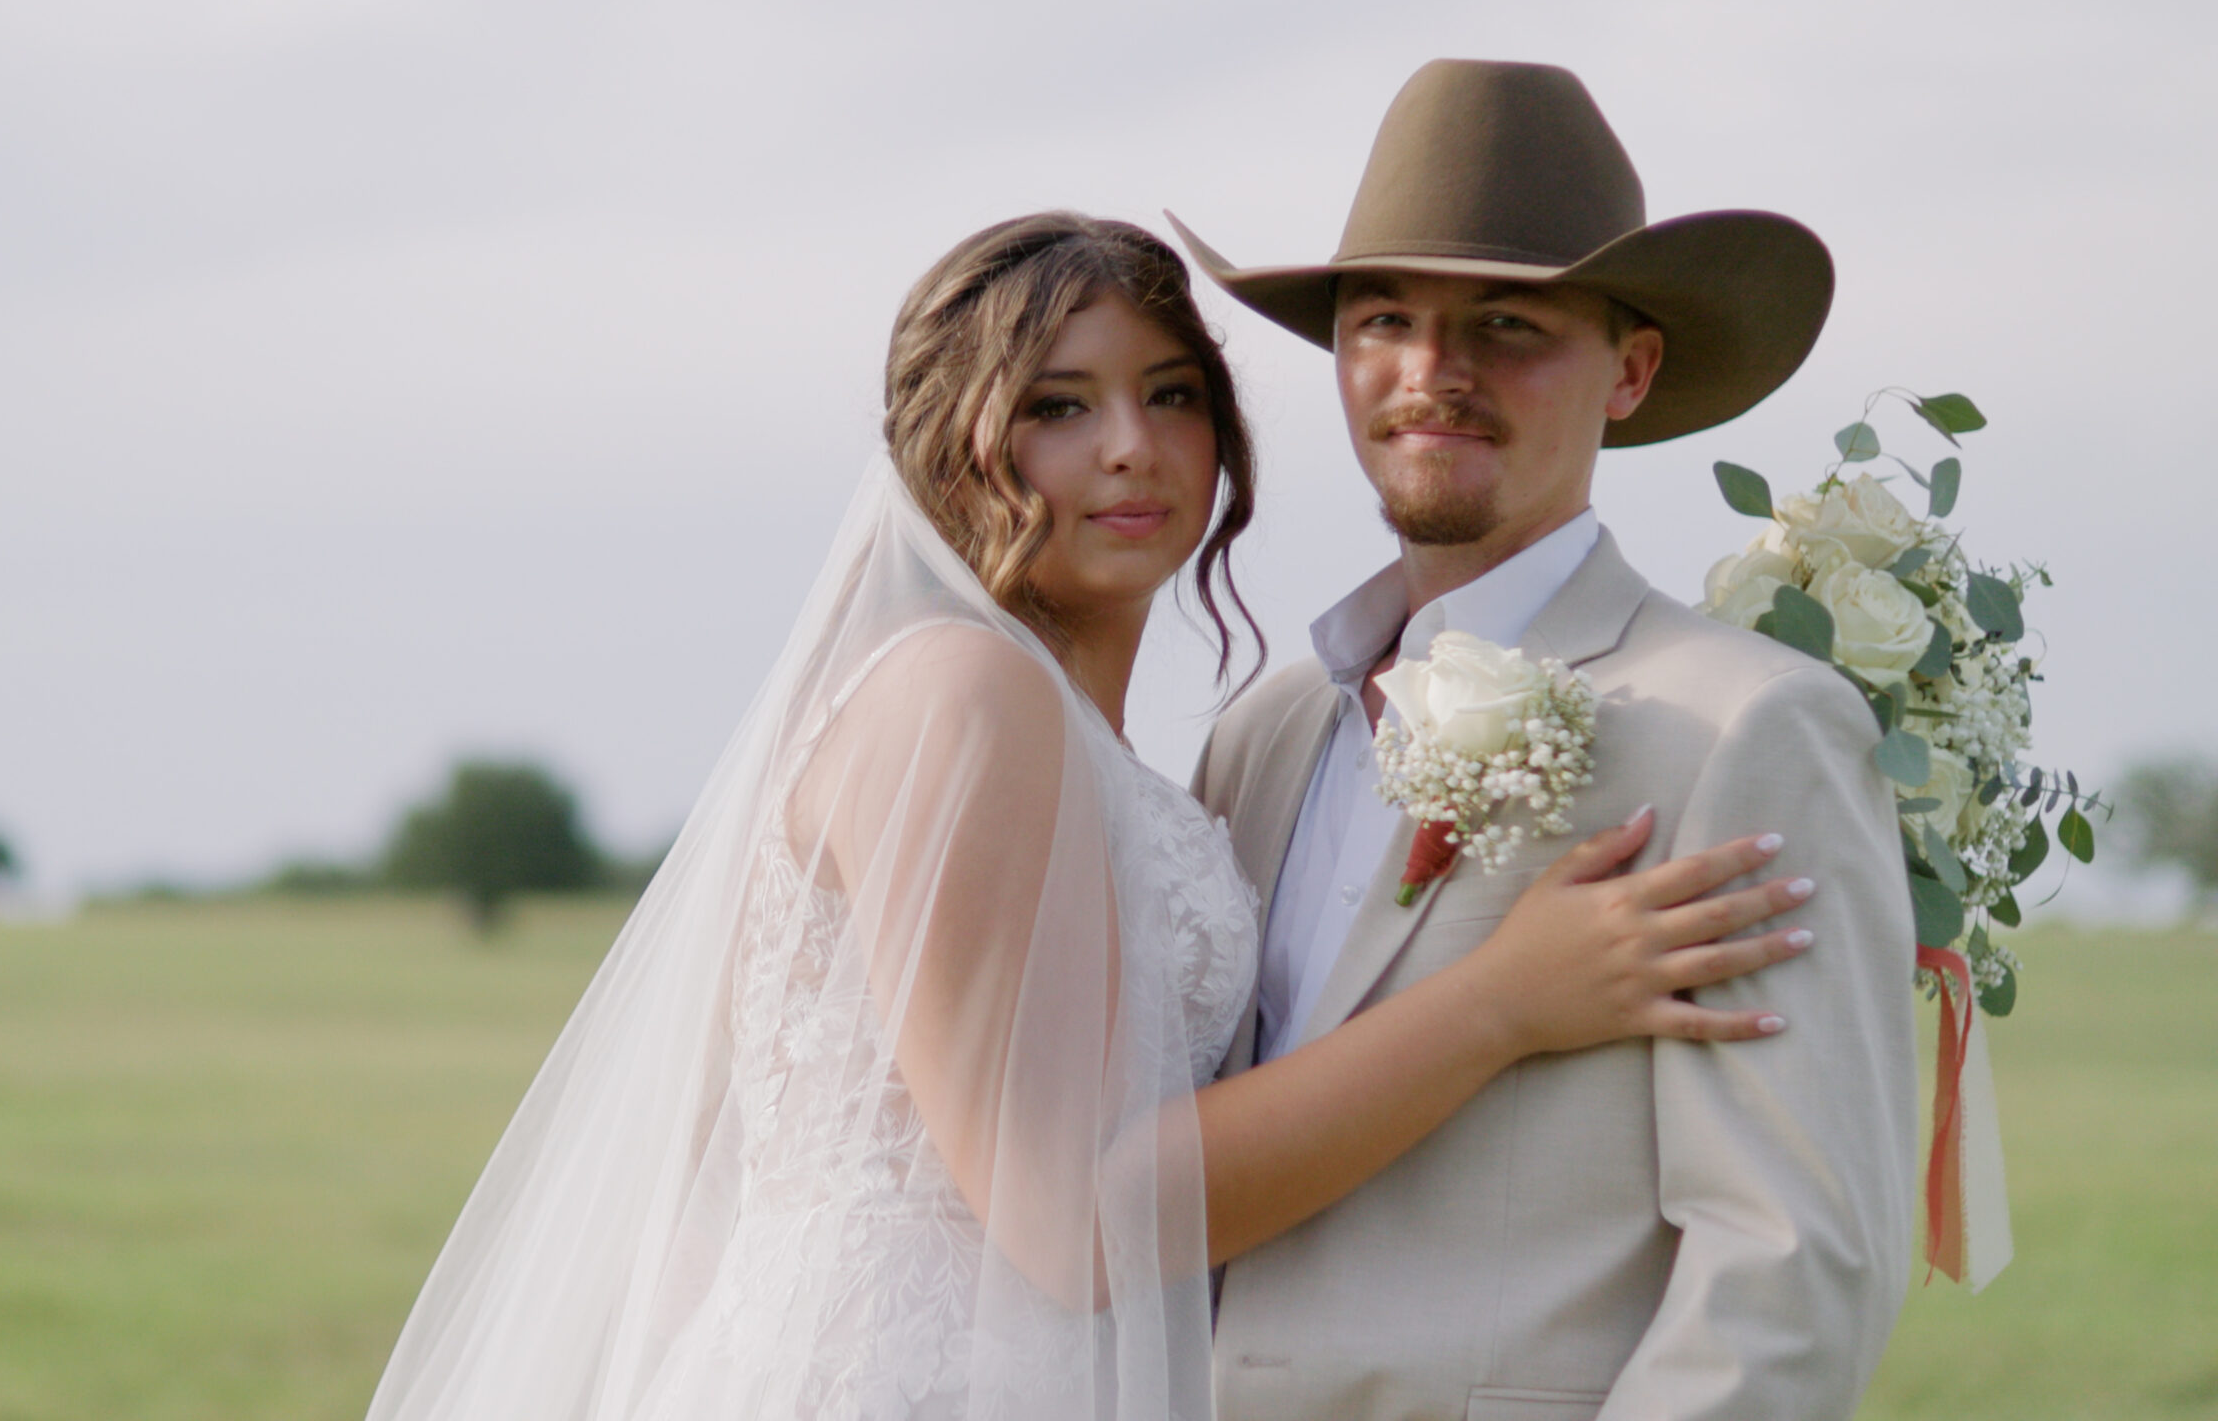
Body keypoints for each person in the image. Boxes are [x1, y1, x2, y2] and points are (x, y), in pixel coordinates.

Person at [363, 212, 1816, 1421]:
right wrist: (1500, 1001)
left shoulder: (1185, 743)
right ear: (953, 447)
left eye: (1172, 392)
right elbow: (1065, 1220)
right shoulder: (960, 699)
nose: (1131, 446)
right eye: (1059, 406)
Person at [1169, 59, 1918, 1420]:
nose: (1432, 373)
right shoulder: (1263, 738)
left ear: (1630, 372)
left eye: (1507, 323)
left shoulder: (1747, 725)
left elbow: (1793, 1267)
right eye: (1384, 317)